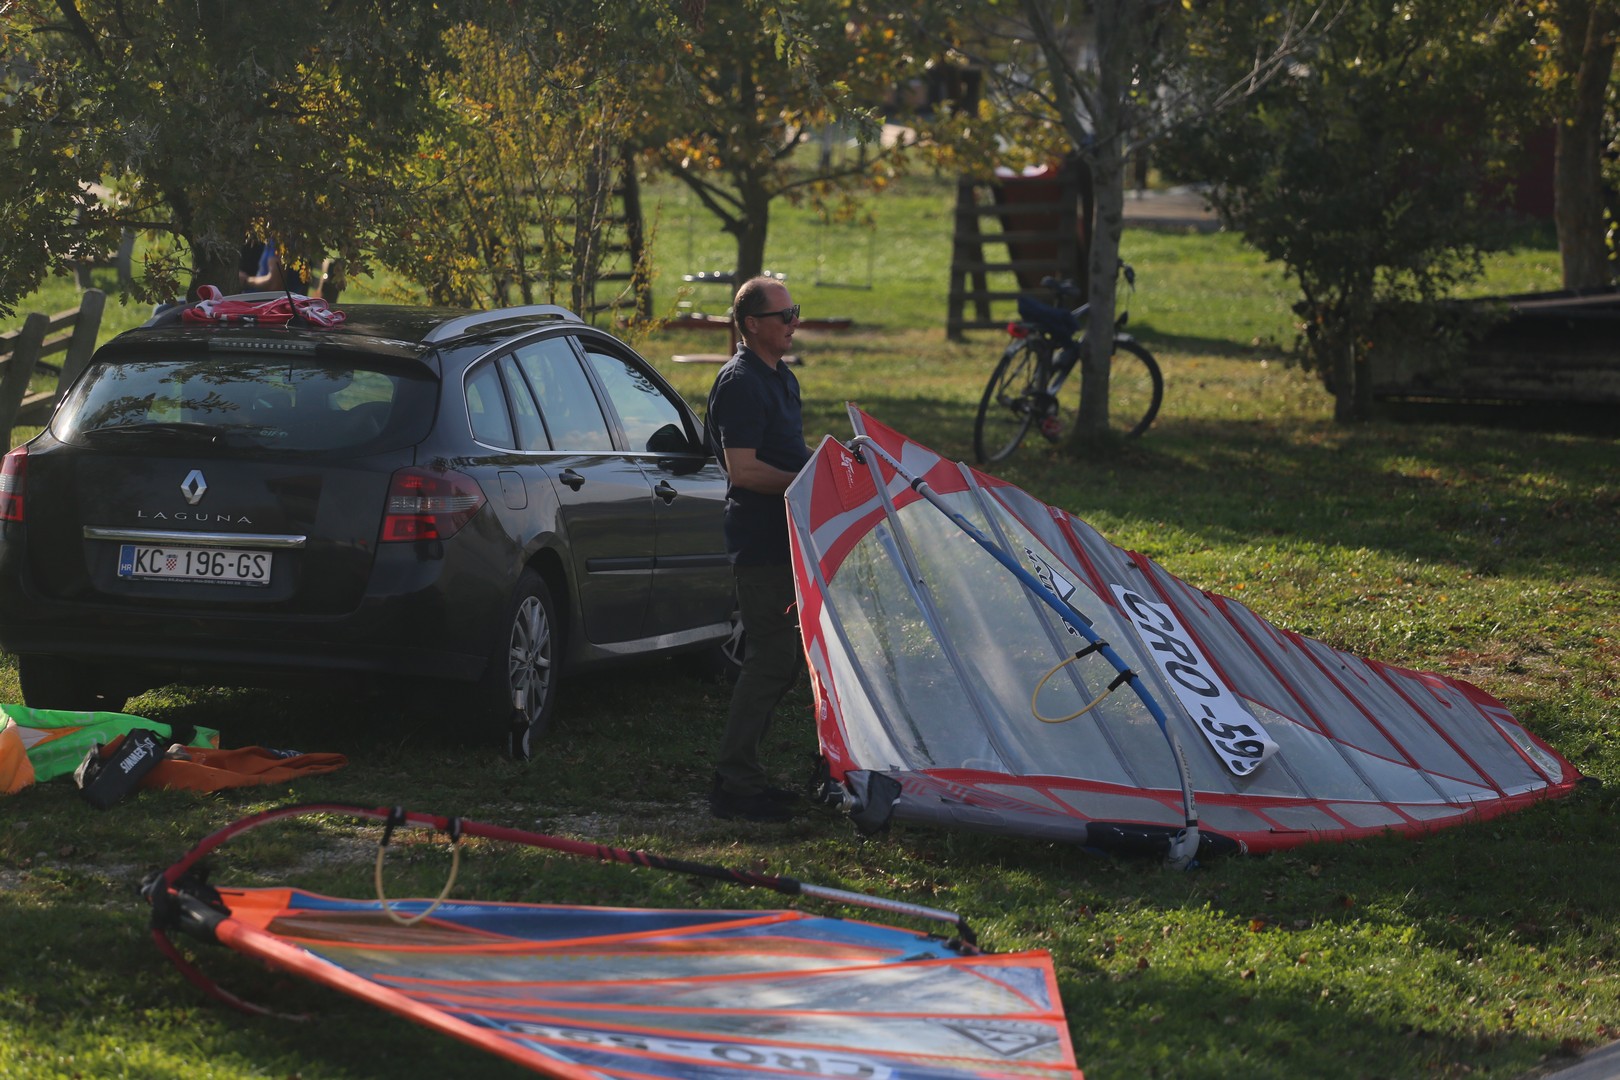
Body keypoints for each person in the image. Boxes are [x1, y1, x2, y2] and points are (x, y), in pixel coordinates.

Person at [704, 276, 812, 822]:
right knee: (771, 658)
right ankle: (734, 785)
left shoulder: (781, 378)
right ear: (752, 324)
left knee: (782, 661)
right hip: (760, 543)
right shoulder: (741, 382)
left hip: (788, 539)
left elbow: (789, 451)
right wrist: (809, 481)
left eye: (796, 312)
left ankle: (746, 777)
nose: (794, 322)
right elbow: (742, 470)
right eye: (784, 315)